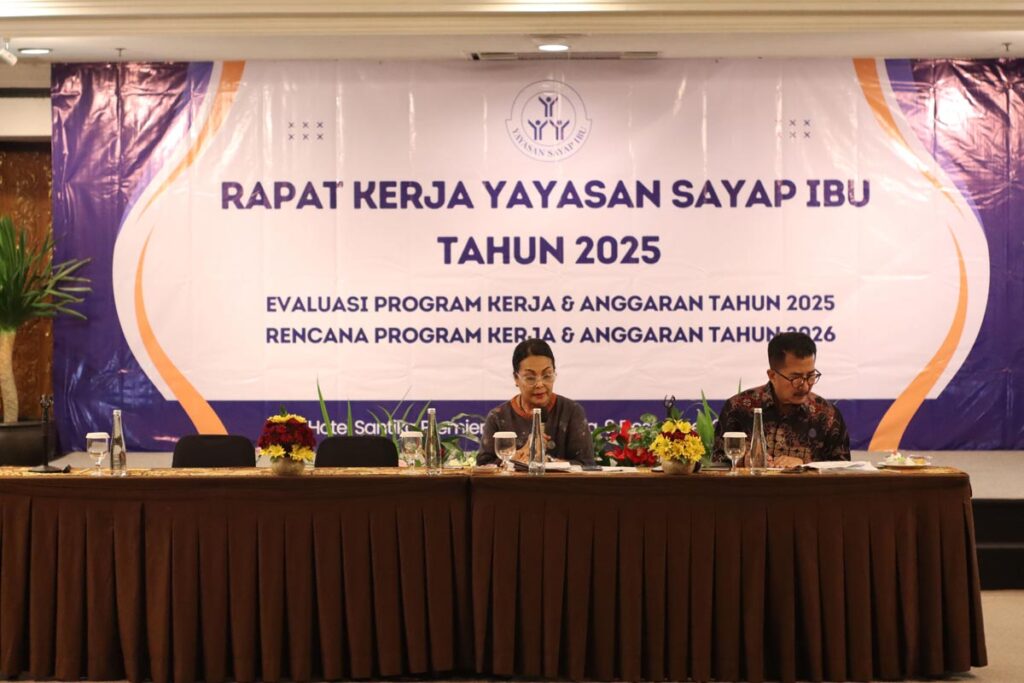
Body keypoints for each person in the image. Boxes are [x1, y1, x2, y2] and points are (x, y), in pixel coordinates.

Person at [713, 331, 850, 466]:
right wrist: (742, 462)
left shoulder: (827, 415)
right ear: (772, 375)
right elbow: (717, 463)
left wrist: (805, 466)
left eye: (811, 376)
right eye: (796, 378)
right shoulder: (738, 408)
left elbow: (842, 470)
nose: (805, 386)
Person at [478, 338, 595, 467]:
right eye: (530, 378)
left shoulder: (571, 411)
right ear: (516, 378)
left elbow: (587, 465)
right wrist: (517, 456)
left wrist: (545, 461)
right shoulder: (498, 417)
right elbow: (483, 466)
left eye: (547, 375)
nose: (540, 384)